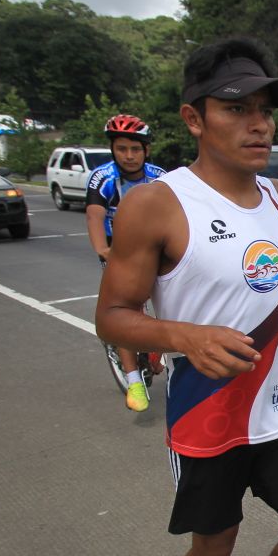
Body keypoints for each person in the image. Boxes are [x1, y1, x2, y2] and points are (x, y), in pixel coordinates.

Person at [95, 38, 278, 556]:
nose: (258, 123)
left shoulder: (277, 196)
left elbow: (264, 270)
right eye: (235, 108)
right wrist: (184, 337)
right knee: (215, 543)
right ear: (194, 119)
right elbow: (112, 315)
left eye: (265, 108)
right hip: (208, 414)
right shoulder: (157, 204)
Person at [86, 114, 166, 412]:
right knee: (126, 310)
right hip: (119, 250)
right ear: (113, 150)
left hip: (157, 246)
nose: (129, 156)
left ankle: (158, 346)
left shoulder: (160, 176)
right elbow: (94, 214)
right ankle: (133, 380)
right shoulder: (103, 177)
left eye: (135, 149)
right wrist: (103, 249)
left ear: (146, 150)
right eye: (122, 149)